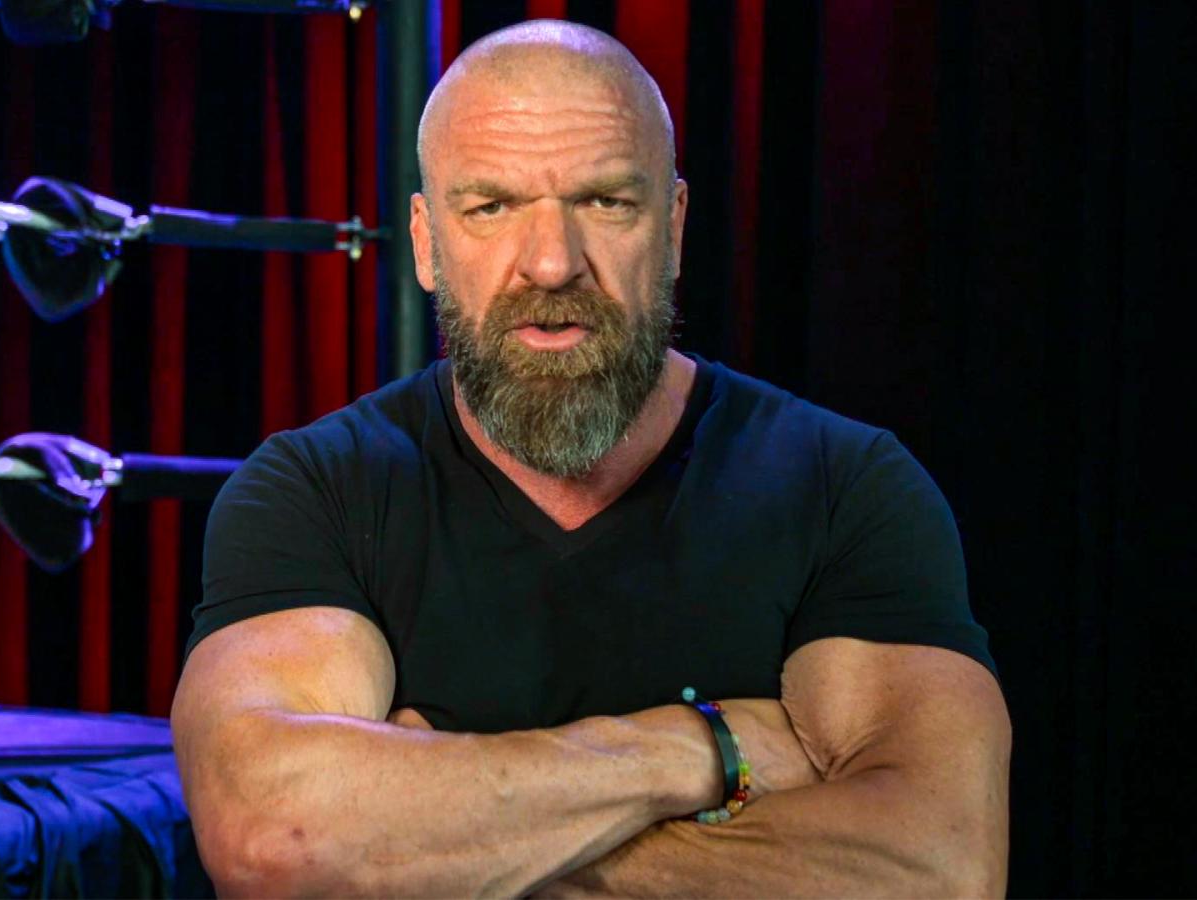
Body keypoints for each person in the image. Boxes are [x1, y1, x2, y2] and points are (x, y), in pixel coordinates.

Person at [172, 19, 1011, 897]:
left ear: (673, 227)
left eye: (606, 202)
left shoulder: (846, 489)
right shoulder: (315, 494)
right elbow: (275, 839)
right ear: (424, 242)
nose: (550, 264)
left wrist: (433, 841)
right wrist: (699, 751)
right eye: (491, 207)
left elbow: (940, 871)